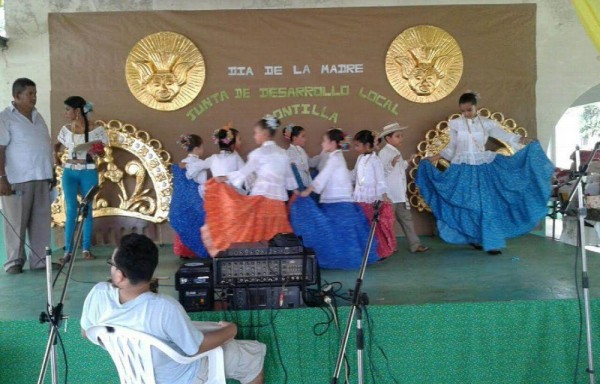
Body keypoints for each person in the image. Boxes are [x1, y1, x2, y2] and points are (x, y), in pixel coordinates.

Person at [80, 233, 266, 384]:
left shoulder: (99, 294)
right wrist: (230, 330)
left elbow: (87, 332)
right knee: (252, 357)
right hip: (184, 377)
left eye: (111, 264)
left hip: (136, 378)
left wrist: (122, 343)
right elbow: (195, 348)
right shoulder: (164, 307)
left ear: (120, 276)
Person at [416, 91, 554, 254]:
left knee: (486, 205)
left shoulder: (487, 123)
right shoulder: (455, 124)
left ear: (476, 106)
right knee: (469, 205)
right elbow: (452, 147)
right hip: (462, 168)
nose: (466, 113)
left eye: (469, 110)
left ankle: (492, 242)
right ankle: (475, 238)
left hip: (483, 167)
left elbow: (505, 135)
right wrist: (434, 157)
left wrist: (523, 140)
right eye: (463, 110)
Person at [201, 115, 297, 255]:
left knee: (254, 234)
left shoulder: (258, 153)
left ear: (264, 134)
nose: (254, 136)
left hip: (261, 201)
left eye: (256, 133)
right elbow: (290, 182)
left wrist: (225, 177)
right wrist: (298, 192)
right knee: (277, 237)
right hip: (278, 204)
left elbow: (243, 173)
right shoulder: (283, 154)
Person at [290, 128, 379, 269]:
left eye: (324, 141)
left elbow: (324, 176)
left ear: (332, 143)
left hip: (338, 202)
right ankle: (347, 258)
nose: (322, 144)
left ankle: (344, 259)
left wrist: (308, 191)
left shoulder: (335, 158)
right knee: (341, 234)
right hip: (338, 200)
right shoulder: (335, 157)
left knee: (335, 233)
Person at [0, 78, 54, 274]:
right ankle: (14, 261)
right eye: (29, 94)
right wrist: (1, 178)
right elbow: (0, 149)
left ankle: (40, 261)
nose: (34, 97)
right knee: (16, 221)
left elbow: (44, 146)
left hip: (41, 175)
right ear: (16, 96)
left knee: (41, 221)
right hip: (17, 180)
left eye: (35, 93)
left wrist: (52, 172)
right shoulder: (5, 118)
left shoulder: (38, 117)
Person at [55, 96, 108, 263]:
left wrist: (98, 151)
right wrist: (55, 158)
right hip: (70, 171)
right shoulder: (66, 129)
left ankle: (85, 249)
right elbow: (57, 146)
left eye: (67, 110)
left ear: (77, 111)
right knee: (70, 210)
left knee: (87, 210)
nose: (65, 113)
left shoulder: (97, 130)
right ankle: (68, 251)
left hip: (88, 170)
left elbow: (103, 153)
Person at [377, 123, 429, 254]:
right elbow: (380, 173)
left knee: (406, 219)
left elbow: (398, 170)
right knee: (387, 223)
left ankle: (415, 244)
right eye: (397, 136)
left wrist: (407, 161)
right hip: (389, 195)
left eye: (401, 136)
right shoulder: (384, 153)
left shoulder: (395, 152)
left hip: (399, 194)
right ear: (388, 139)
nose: (401, 138)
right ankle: (388, 247)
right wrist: (391, 165)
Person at [352, 130, 397, 258]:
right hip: (359, 196)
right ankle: (367, 252)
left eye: (357, 145)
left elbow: (380, 180)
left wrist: (384, 196)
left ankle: (379, 252)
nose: (355, 148)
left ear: (366, 145)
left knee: (373, 227)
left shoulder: (375, 160)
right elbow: (354, 175)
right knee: (363, 225)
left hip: (372, 198)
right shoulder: (360, 158)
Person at [170, 134, 209, 258]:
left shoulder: (179, 165)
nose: (203, 149)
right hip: (195, 202)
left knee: (184, 224)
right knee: (204, 218)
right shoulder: (200, 164)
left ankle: (184, 251)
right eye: (202, 147)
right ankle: (202, 250)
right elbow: (202, 186)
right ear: (197, 148)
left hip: (178, 205)